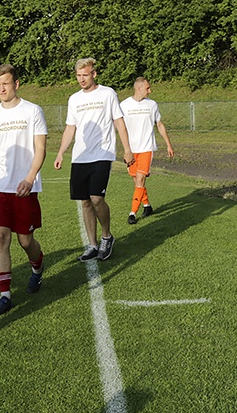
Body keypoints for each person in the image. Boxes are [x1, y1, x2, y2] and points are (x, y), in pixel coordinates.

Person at [0, 64, 47, 317]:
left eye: (6, 83)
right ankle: (5, 295)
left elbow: (40, 148)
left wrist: (30, 178)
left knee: (25, 240)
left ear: (16, 84)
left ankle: (37, 267)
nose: (1, 89)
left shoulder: (33, 111)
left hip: (24, 186)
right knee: (1, 238)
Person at [54, 58, 133, 262]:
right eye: (78, 75)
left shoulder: (108, 94)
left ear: (94, 74)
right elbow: (70, 128)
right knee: (85, 202)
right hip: (80, 156)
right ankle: (92, 245)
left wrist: (128, 150)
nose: (81, 79)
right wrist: (61, 152)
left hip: (102, 153)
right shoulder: (74, 100)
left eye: (85, 75)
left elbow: (119, 122)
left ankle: (106, 237)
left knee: (97, 198)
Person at [119, 77, 174, 224]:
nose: (150, 91)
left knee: (140, 179)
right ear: (139, 89)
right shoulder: (124, 105)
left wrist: (168, 144)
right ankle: (147, 205)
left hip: (146, 148)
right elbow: (119, 126)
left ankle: (132, 213)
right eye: (147, 88)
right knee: (136, 181)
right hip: (131, 150)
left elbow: (160, 125)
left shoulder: (152, 105)